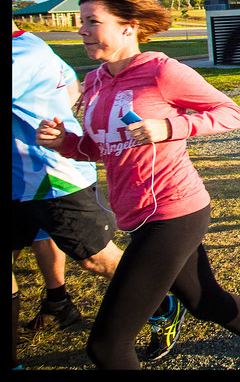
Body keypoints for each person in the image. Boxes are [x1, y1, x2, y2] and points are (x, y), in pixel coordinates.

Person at [35, 0, 240, 369]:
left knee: (108, 346)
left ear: (128, 27)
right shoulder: (94, 82)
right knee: (202, 299)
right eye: (81, 21)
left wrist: (170, 127)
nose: (81, 29)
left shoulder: (161, 71)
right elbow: (101, 147)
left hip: (174, 210)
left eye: (92, 21)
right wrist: (65, 143)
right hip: (133, 213)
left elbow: (232, 113)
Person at [12, 23, 184, 367]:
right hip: (23, 177)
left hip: (52, 177)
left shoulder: (22, 54)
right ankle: (56, 304)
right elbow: (75, 87)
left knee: (96, 259)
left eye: (91, 21)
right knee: (39, 235)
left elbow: (225, 112)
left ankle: (164, 303)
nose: (81, 29)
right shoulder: (32, 43)